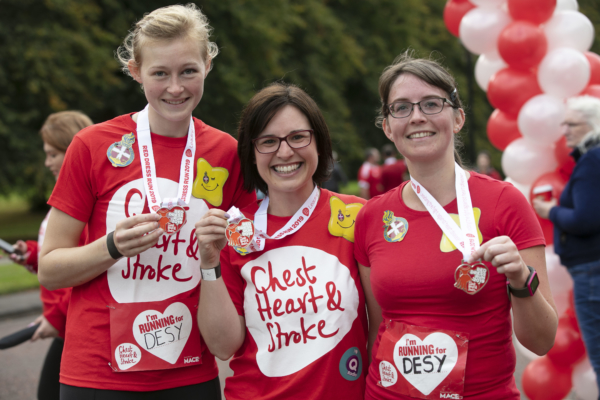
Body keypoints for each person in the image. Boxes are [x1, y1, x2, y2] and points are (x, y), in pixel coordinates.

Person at [38, 4, 255, 399]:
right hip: (96, 374)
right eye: (160, 73)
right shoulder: (93, 145)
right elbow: (50, 269)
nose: (176, 88)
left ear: (208, 65)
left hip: (189, 371)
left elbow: (246, 255)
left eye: (188, 70)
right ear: (136, 72)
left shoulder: (226, 152)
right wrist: (111, 247)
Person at [354, 53, 557, 400]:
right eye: (400, 108)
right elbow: (375, 331)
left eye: (432, 104)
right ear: (388, 127)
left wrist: (521, 280)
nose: (417, 116)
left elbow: (541, 341)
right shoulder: (373, 217)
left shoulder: (504, 202)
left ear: (458, 118)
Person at [194, 83, 368, 399]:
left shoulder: (355, 216)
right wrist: (208, 263)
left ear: (319, 142)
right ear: (252, 152)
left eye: (298, 137)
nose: (284, 152)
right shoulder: (235, 231)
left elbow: (384, 321)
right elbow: (222, 346)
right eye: (269, 142)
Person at [7, 111, 92, 400]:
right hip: (65, 326)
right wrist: (32, 255)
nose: (47, 163)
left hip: (75, 325)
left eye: (53, 154)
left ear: (72, 150)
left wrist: (55, 317)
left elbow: (87, 270)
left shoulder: (87, 205)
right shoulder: (66, 196)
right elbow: (60, 254)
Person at [533, 95, 600, 395]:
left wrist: (551, 212)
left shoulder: (591, 160)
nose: (565, 131)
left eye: (571, 124)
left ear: (592, 125)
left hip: (591, 268)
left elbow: (585, 219)